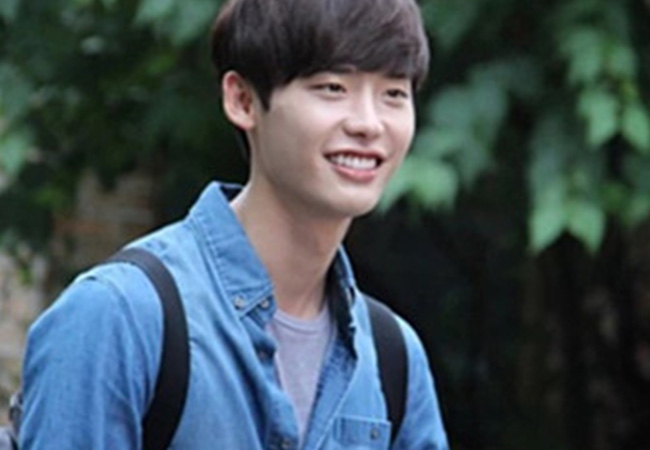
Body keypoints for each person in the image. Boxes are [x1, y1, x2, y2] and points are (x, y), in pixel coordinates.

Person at [19, 0, 449, 448]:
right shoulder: (119, 316)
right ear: (242, 100)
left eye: (393, 94)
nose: (369, 124)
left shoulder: (394, 358)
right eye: (332, 87)